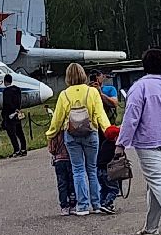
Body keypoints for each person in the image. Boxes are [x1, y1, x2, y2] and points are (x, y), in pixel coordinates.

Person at [117, 46, 161, 235]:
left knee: (159, 182)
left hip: (147, 142)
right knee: (156, 183)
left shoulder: (139, 87)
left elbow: (131, 118)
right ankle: (151, 226)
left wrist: (121, 143)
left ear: (144, 66)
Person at [45, 62, 112, 217]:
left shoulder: (64, 95)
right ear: (83, 75)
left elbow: (57, 119)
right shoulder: (92, 92)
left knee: (78, 170)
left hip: (72, 136)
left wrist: (50, 135)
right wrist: (108, 131)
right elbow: (100, 114)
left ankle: (82, 206)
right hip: (91, 133)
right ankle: (96, 204)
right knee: (92, 170)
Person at [96, 124, 123, 214]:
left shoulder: (104, 144)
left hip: (99, 170)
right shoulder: (114, 147)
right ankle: (107, 203)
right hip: (108, 171)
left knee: (104, 188)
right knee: (114, 189)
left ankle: (102, 203)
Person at [50, 130, 76, 214]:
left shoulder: (55, 132)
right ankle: (73, 203)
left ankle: (64, 205)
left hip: (59, 160)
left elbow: (52, 149)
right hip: (70, 159)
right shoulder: (71, 130)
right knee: (71, 182)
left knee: (62, 183)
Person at [1, 73, 27, 156]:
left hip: (9, 114)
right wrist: (17, 109)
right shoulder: (17, 89)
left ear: (5, 81)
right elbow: (19, 100)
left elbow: (7, 103)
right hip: (17, 112)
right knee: (20, 132)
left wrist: (4, 114)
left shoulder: (6, 91)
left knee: (12, 133)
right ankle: (23, 149)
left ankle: (16, 149)